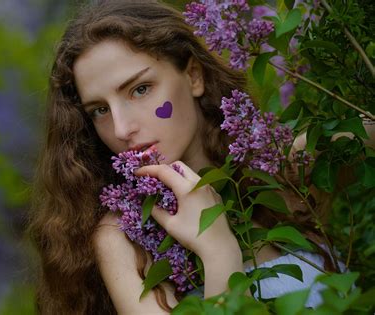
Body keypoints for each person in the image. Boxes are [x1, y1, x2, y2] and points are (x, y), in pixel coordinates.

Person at [28, 1, 342, 314]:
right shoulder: (123, 239)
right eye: (100, 110)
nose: (121, 129)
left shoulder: (283, 169)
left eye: (140, 90)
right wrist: (217, 251)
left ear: (193, 76)